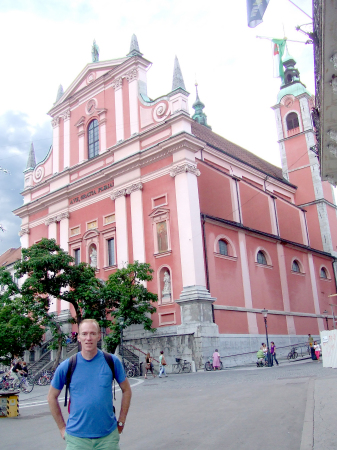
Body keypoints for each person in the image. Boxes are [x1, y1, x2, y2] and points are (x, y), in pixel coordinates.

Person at [48, 319, 132, 450]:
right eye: (84, 334)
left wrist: (121, 421)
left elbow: (127, 390)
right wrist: (62, 428)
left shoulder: (111, 361)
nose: (88, 338)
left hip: (107, 438)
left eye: (92, 334)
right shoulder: (67, 366)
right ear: (79, 337)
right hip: (77, 439)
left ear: (99, 336)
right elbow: (51, 397)